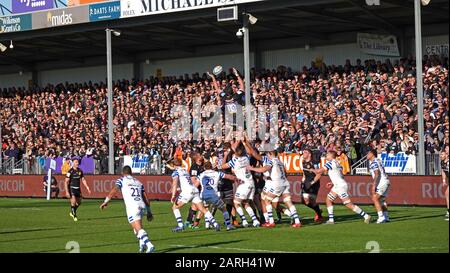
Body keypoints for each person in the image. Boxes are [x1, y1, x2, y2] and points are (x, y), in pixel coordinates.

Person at [306, 151, 371, 224]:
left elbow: (318, 171)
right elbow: (341, 175)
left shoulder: (330, 163)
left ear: (331, 156)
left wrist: (312, 170)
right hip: (338, 185)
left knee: (348, 204)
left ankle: (366, 216)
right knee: (328, 200)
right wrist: (332, 182)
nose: (326, 156)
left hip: (340, 186)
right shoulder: (337, 163)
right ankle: (331, 220)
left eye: (327, 154)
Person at [100, 166, 155, 253]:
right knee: (137, 227)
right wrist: (149, 211)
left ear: (123, 173)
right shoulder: (138, 182)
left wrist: (106, 201)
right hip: (141, 205)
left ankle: (149, 245)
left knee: (138, 229)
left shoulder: (121, 180)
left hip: (133, 207)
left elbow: (114, 190)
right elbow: (145, 197)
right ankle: (142, 245)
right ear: (131, 172)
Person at [245, 145, 302, 228]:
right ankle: (297, 221)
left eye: (268, 154)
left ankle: (271, 221)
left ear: (270, 154)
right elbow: (285, 172)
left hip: (277, 183)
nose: (267, 156)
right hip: (285, 183)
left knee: (267, 200)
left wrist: (252, 169)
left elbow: (264, 169)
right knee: (288, 201)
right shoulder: (280, 161)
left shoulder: (272, 161)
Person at [170, 158, 220, 232]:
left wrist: (173, 195)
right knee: (202, 209)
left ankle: (180, 226)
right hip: (195, 190)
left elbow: (175, 183)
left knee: (175, 207)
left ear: (174, 165)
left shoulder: (176, 172)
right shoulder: (185, 170)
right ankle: (215, 224)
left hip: (187, 191)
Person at [221, 141, 260, 228]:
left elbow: (222, 166)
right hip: (251, 183)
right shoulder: (246, 157)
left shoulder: (235, 160)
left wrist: (225, 155)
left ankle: (244, 220)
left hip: (243, 184)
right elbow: (249, 151)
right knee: (245, 203)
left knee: (236, 203)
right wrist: (244, 142)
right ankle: (255, 220)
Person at [196, 161, 237, 231]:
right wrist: (235, 177)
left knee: (205, 209)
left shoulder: (201, 175)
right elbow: (229, 177)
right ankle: (228, 225)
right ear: (211, 167)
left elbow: (196, 185)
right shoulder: (217, 173)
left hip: (203, 195)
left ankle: (208, 224)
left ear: (204, 167)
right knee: (224, 209)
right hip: (213, 195)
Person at [367, 149, 391, 224]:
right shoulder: (378, 160)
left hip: (382, 182)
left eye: (368, 153)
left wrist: (374, 185)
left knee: (375, 198)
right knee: (382, 200)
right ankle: (386, 217)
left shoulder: (374, 162)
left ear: (372, 154)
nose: (367, 155)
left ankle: (381, 217)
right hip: (385, 181)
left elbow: (377, 173)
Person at [301, 149, 323, 222]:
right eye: (303, 152)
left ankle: (319, 215)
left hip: (314, 184)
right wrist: (303, 180)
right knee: (304, 201)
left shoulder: (314, 163)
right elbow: (304, 173)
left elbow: (319, 174)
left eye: (305, 152)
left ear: (309, 154)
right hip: (306, 182)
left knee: (311, 202)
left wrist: (312, 182)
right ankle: (318, 211)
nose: (303, 153)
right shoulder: (303, 162)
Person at [185, 151, 205, 228]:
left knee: (195, 205)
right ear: (196, 157)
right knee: (196, 205)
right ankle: (190, 221)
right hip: (197, 188)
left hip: (203, 188)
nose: (202, 156)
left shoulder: (203, 165)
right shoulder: (194, 167)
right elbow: (194, 180)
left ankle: (189, 221)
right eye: (200, 154)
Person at [441, 151, 449, 221]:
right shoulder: (442, 162)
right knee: (446, 194)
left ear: (446, 155)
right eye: (441, 154)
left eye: (442, 154)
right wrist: (444, 180)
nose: (441, 155)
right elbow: (443, 171)